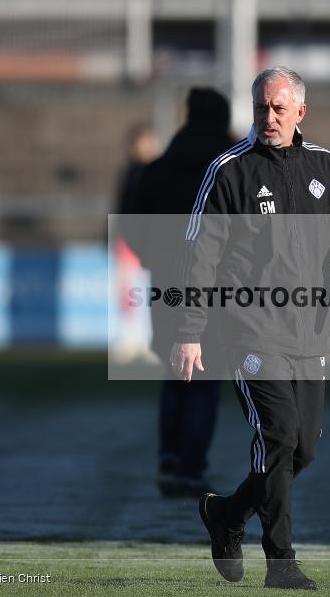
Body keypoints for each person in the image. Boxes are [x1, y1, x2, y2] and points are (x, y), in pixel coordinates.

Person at [170, 67, 330, 590]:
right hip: (246, 329)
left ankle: (227, 515)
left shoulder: (326, 167)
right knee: (279, 436)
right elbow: (199, 256)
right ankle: (281, 563)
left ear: (300, 112)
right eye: (260, 108)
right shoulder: (229, 171)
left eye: (278, 109)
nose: (267, 118)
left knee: (302, 450)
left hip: (308, 332)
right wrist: (189, 329)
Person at [120, 89, 234, 497]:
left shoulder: (157, 169)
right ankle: (191, 468)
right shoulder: (232, 168)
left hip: (166, 284)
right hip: (216, 288)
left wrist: (155, 259)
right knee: (206, 378)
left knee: (175, 374)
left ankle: (169, 457)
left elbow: (131, 226)